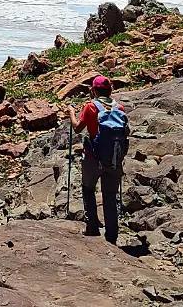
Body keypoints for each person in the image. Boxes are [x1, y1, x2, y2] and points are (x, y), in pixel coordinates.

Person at [71, 75, 128, 244]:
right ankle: (112, 235)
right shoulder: (120, 108)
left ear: (93, 90)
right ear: (110, 90)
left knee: (88, 188)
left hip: (93, 156)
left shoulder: (90, 107)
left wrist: (71, 114)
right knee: (110, 195)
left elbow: (78, 128)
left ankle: (92, 227)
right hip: (113, 157)